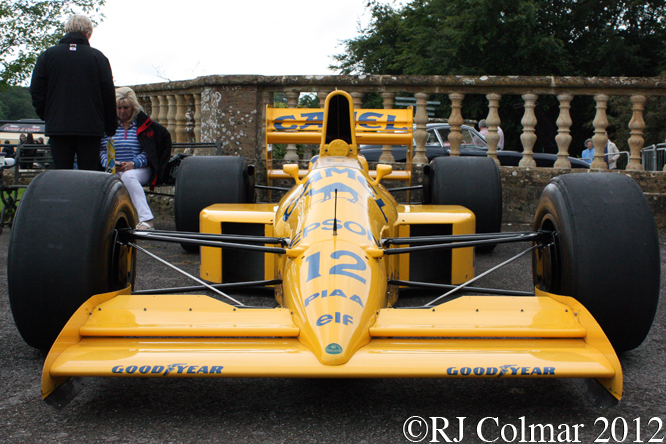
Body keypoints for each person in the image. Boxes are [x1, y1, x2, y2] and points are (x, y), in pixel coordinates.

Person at [29, 14, 116, 170]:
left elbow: (36, 89)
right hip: (90, 128)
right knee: (88, 175)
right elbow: (108, 94)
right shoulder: (98, 57)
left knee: (61, 174)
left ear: (66, 30)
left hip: (58, 126)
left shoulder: (48, 56)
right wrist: (110, 126)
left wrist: (47, 114)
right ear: (89, 34)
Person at [100, 87, 172, 230]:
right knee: (109, 180)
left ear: (133, 106)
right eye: (118, 108)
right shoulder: (107, 127)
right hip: (113, 168)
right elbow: (101, 150)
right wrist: (111, 163)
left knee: (128, 176)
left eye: (125, 107)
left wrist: (133, 163)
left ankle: (147, 220)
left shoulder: (143, 125)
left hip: (139, 169)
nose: (122, 111)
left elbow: (149, 152)